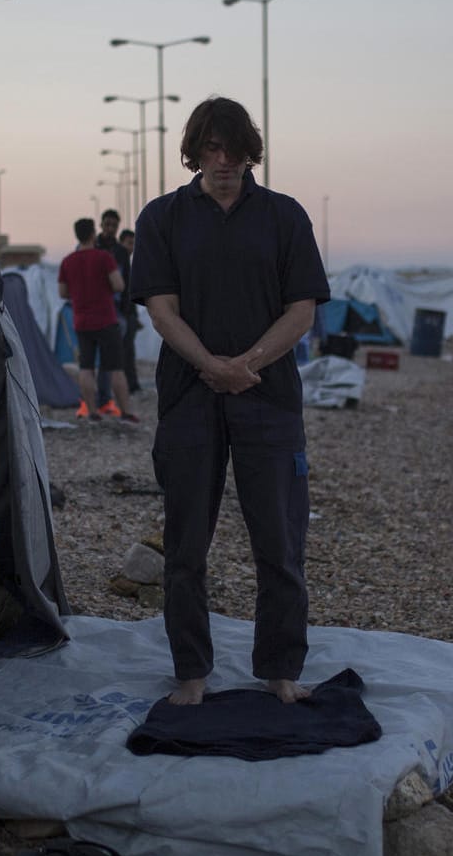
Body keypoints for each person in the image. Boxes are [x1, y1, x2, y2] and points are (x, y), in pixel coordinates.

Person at [129, 97, 328, 705]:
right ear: (194, 152)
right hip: (190, 398)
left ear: (250, 152)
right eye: (212, 148)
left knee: (280, 543)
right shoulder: (162, 218)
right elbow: (162, 310)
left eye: (235, 149)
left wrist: (246, 366)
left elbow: (303, 309)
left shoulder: (284, 217)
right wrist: (211, 366)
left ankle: (280, 673)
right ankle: (192, 675)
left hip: (269, 400)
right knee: (186, 546)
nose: (224, 160)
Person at [58, 217, 135, 423]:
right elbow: (119, 285)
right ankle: (125, 412)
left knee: (86, 367)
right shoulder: (104, 258)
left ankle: (92, 412)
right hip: (106, 319)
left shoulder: (67, 261)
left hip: (82, 321)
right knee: (116, 367)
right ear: (93, 234)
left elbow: (63, 293)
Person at [94, 210, 143, 396]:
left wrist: (128, 311)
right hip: (98, 308)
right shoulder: (93, 248)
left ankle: (127, 387)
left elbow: (127, 281)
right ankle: (102, 394)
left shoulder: (121, 252)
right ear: (101, 224)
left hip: (119, 310)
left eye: (113, 225)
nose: (110, 229)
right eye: (107, 224)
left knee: (124, 351)